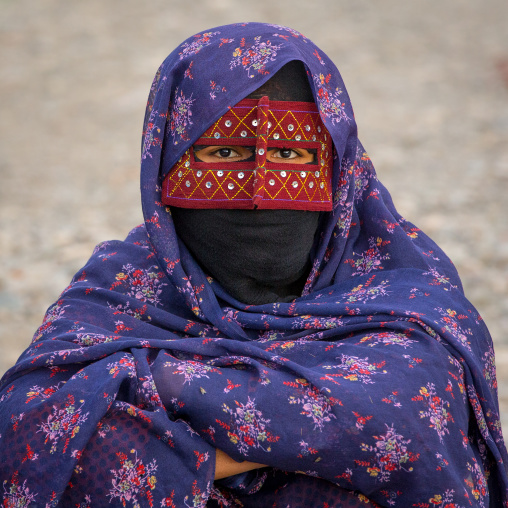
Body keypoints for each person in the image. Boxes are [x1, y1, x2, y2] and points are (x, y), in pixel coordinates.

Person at [0, 22, 506, 507]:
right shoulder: (123, 283)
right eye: (223, 152)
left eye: (290, 152)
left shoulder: (402, 291)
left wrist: (165, 404)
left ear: (337, 166)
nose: (260, 193)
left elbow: (408, 413)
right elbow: (25, 423)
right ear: (167, 162)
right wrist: (298, 443)